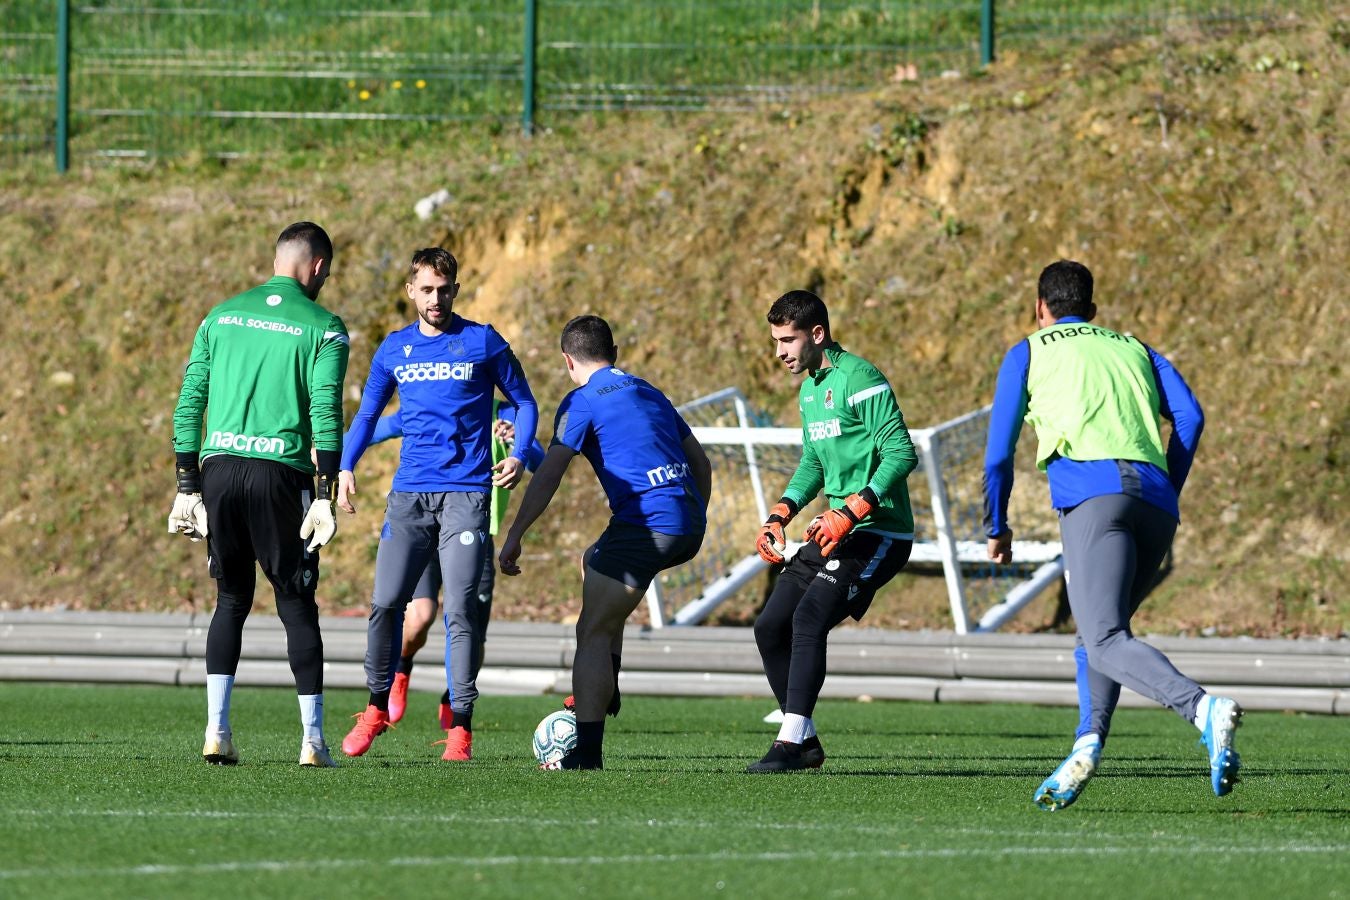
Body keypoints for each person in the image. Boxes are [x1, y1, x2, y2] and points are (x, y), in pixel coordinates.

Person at [983, 259, 1239, 811]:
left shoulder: (1028, 350)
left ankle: (1201, 708)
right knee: (1099, 634)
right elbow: (1190, 418)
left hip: (1093, 498)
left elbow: (999, 455)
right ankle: (1086, 745)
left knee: (1102, 637)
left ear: (1039, 308)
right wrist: (1167, 486)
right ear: (1093, 311)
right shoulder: (1135, 347)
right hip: (1155, 500)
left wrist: (996, 526)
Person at [338, 247, 538, 762]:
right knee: (386, 604)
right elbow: (367, 417)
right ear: (411, 290)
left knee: (461, 612)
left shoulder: (482, 341)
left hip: (467, 496)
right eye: (426, 289)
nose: (436, 298)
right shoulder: (394, 349)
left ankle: (460, 728)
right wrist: (343, 467)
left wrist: (517, 454)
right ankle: (376, 708)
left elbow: (526, 402)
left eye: (444, 289)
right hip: (409, 497)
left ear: (455, 290)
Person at [169, 221, 349, 768]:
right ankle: (313, 742)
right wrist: (324, 490)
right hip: (280, 474)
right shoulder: (325, 327)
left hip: (218, 470)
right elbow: (324, 412)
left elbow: (190, 398)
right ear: (317, 266)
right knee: (296, 603)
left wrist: (185, 482)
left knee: (230, 601)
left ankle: (217, 732)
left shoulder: (219, 315)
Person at [498, 315, 710, 770]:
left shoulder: (582, 401)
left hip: (646, 525)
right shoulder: (648, 390)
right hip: (686, 521)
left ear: (567, 360)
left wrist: (516, 534)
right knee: (592, 559)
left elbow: (551, 472)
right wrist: (692, 514)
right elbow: (700, 460)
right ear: (612, 352)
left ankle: (587, 753)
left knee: (589, 631)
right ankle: (607, 683)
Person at [747, 290, 918, 773]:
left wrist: (853, 509)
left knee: (808, 619)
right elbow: (813, 464)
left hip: (879, 533)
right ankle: (805, 741)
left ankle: (788, 742)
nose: (780, 351)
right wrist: (780, 513)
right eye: (776, 340)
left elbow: (902, 453)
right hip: (835, 532)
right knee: (769, 627)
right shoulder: (808, 391)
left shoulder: (859, 377)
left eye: (788, 340)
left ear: (817, 335)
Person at [358, 404, 545, 727]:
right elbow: (377, 427)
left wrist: (519, 445)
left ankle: (453, 696)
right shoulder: (430, 405)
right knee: (421, 615)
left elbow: (541, 461)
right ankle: (402, 667)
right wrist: (328, 448)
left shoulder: (504, 414)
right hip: (425, 527)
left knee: (472, 632)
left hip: (474, 533)